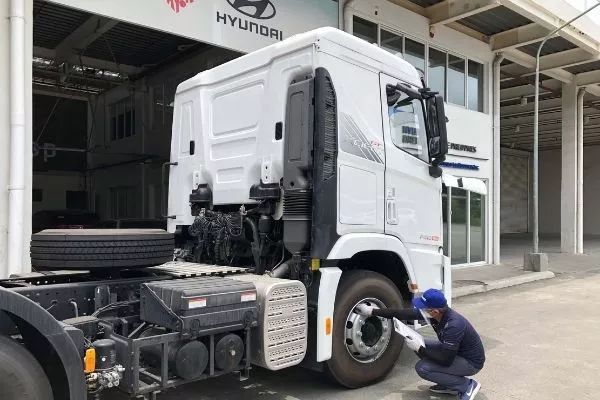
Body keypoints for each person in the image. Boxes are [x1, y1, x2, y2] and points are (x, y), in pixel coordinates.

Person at [355, 288, 485, 400]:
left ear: (435, 311)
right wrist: (372, 311)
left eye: (423, 307)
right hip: (456, 353)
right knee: (421, 342)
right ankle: (450, 384)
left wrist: (419, 349)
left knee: (423, 367)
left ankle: (466, 386)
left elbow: (446, 360)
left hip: (471, 362)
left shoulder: (453, 325)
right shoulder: (434, 314)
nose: (419, 310)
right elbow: (401, 313)